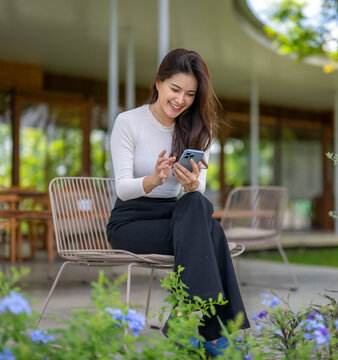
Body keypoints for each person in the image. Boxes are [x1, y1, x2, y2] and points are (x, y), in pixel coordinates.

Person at [107, 48, 249, 355]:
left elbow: (199, 192)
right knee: (211, 232)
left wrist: (192, 184)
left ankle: (187, 320)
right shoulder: (129, 122)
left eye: (189, 94)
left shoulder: (200, 128)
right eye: (175, 89)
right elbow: (122, 188)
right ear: (158, 83)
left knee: (197, 203)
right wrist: (154, 180)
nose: (180, 100)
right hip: (131, 222)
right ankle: (211, 332)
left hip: (176, 216)